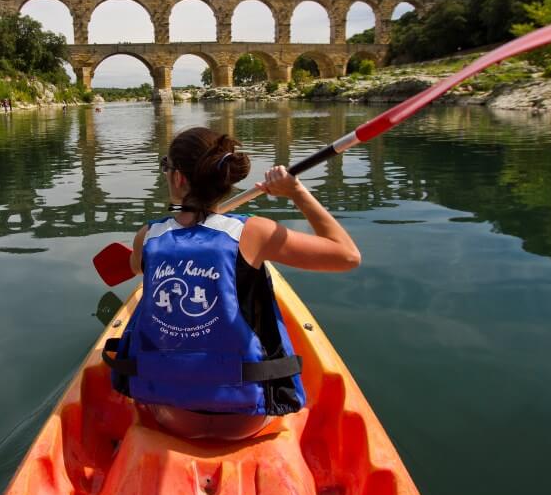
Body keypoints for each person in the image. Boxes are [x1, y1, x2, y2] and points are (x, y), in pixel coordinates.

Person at [104, 127, 360, 441]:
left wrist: (175, 218)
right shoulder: (256, 233)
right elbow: (347, 256)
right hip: (246, 419)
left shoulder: (148, 237)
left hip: (171, 414)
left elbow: (137, 263)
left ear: (179, 178)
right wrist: (296, 193)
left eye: (165, 166)